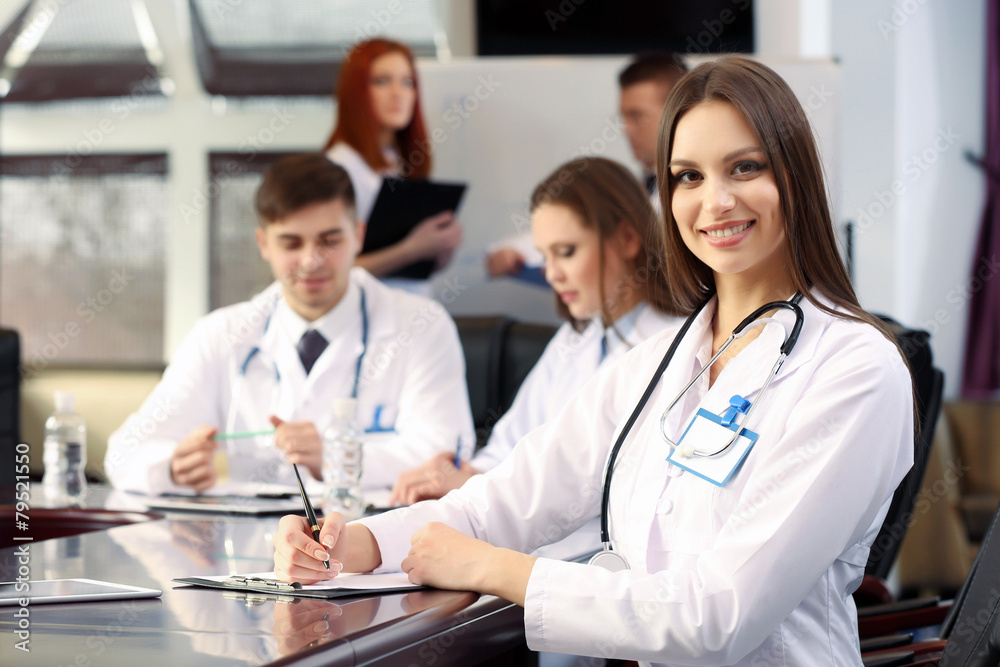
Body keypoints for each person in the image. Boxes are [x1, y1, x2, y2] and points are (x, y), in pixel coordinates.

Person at [272, 57, 915, 666]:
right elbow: (500, 502)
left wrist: (497, 569)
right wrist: (353, 544)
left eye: (744, 167)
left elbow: (720, 614)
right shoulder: (658, 366)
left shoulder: (855, 369)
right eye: (688, 176)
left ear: (794, 177)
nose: (714, 201)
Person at [105, 154, 474, 496]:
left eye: (329, 240)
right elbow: (123, 453)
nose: (311, 261)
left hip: (372, 549)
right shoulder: (220, 334)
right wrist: (171, 468)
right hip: (242, 553)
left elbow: (446, 456)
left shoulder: (421, 325)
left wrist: (337, 457)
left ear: (358, 236)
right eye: (291, 243)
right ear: (263, 243)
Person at [390, 157, 679, 505]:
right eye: (545, 257)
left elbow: (605, 488)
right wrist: (462, 477)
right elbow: (507, 448)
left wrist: (482, 491)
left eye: (566, 252)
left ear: (628, 239)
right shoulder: (574, 339)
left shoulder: (675, 347)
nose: (552, 274)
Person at [486, 52, 687, 278]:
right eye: (624, 117)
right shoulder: (643, 185)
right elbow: (585, 224)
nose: (626, 129)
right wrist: (512, 250)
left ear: (677, 113)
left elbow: (599, 234)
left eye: (637, 116)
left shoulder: (689, 192)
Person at [324, 38, 461, 297]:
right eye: (381, 81)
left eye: (407, 82)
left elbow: (418, 269)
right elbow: (330, 270)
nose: (397, 93)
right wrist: (412, 249)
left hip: (414, 311)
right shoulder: (338, 167)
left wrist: (441, 245)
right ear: (356, 91)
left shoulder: (399, 162)